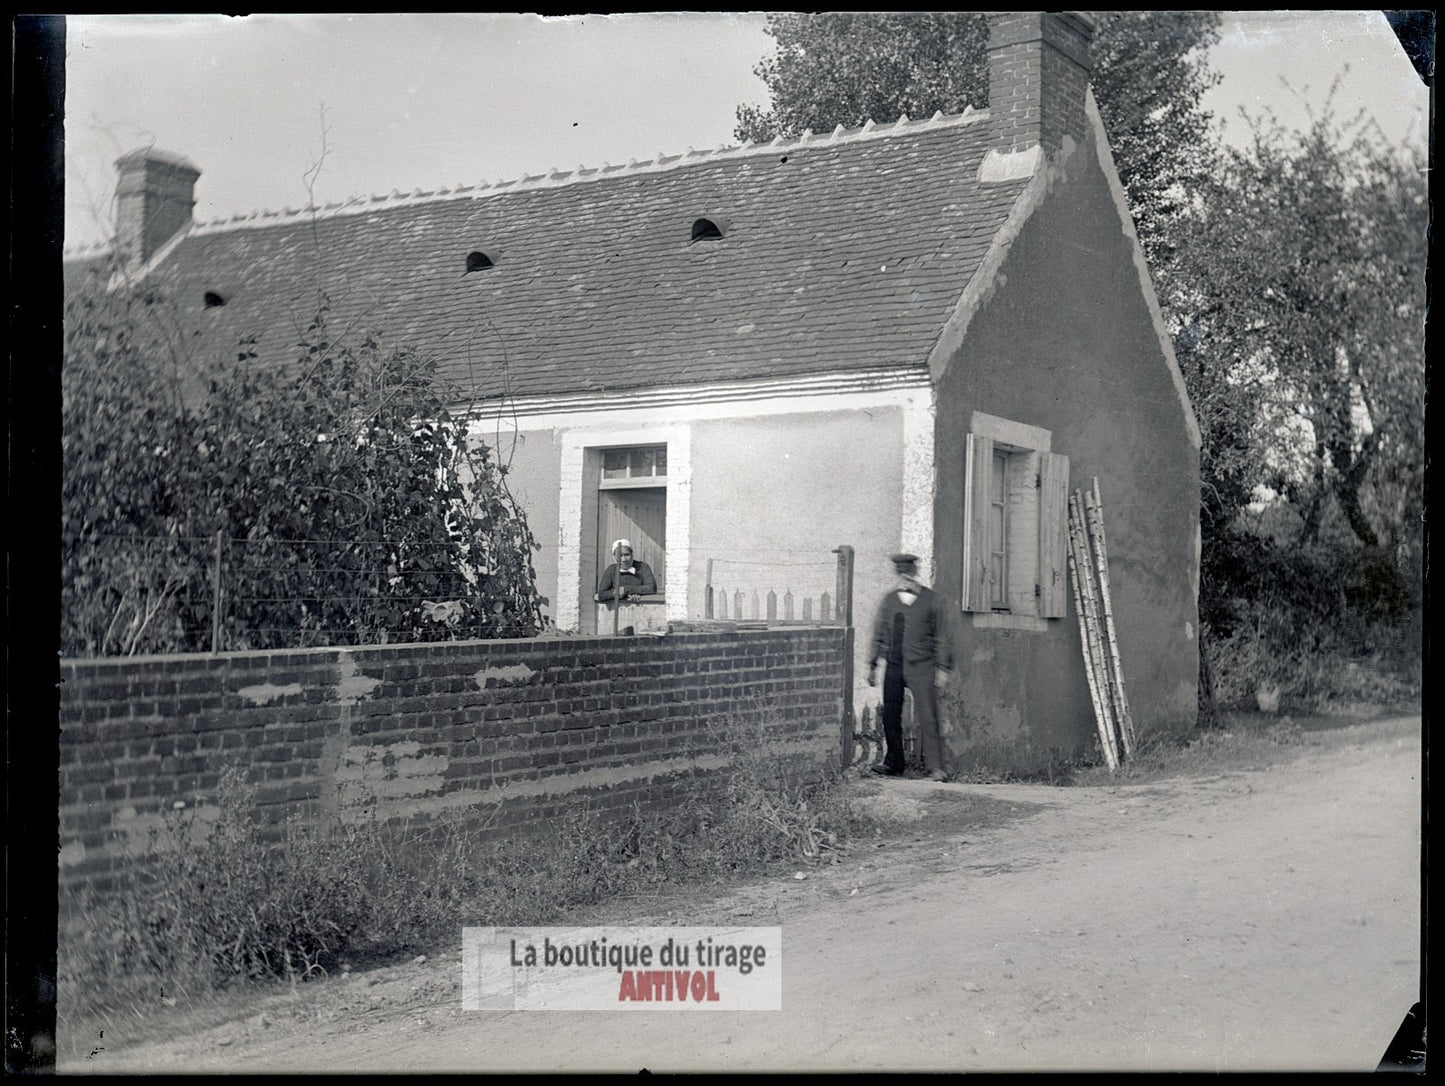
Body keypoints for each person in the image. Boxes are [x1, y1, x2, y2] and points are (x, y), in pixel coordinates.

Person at [866, 553, 951, 781]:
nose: (905, 578)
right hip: (893, 665)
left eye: (909, 573)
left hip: (922, 665)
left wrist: (942, 668)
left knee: (928, 716)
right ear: (897, 576)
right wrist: (873, 664)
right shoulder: (889, 600)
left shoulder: (932, 599)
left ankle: (935, 767)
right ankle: (894, 763)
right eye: (901, 574)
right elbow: (879, 631)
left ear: (915, 574)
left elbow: (941, 635)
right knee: (891, 715)